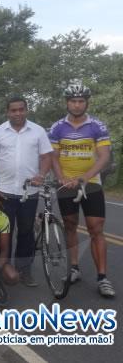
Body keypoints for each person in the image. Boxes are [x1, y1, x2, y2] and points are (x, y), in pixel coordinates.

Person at [49, 84, 115, 298]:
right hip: (66, 184)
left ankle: (102, 277)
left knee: (96, 228)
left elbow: (104, 156)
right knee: (69, 226)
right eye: (73, 101)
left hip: (91, 184)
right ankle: (74, 267)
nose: (77, 105)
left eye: (81, 101)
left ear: (87, 102)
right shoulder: (57, 127)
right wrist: (61, 178)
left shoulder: (97, 125)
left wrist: (84, 178)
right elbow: (54, 157)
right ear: (66, 102)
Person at [0, 96, 53, 287]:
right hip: (3, 193)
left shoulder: (38, 131)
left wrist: (41, 174)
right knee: (2, 233)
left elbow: (47, 156)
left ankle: (24, 271)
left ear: (26, 110)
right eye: (13, 110)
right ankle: (1, 270)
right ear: (8, 112)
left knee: (25, 233)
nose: (17, 113)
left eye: (21, 109)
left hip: (28, 193)